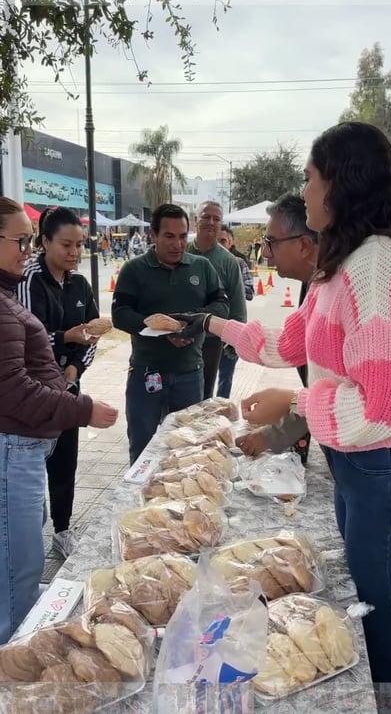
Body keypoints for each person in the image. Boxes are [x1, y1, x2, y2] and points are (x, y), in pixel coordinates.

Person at [174, 122, 391, 686]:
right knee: (369, 595)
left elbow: (389, 406)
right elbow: (284, 344)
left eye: (309, 179)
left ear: (339, 184)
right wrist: (213, 324)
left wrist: (295, 402)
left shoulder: (375, 267)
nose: (303, 193)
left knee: (388, 617)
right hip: (352, 464)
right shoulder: (337, 269)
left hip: (383, 468)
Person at [0, 197, 118, 642]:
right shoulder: (18, 290)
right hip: (16, 442)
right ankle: (16, 662)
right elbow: (13, 386)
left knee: (22, 551)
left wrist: (70, 375)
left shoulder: (18, 291)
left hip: (33, 433)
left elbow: (87, 337)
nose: (26, 250)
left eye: (28, 241)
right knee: (18, 562)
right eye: (21, 240)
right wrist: (81, 408)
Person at [112, 204, 229, 465]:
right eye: (169, 236)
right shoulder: (134, 270)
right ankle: (139, 501)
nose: (178, 244)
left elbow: (222, 305)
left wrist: (192, 324)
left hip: (190, 373)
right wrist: (158, 329)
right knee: (142, 449)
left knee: (187, 450)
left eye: (183, 236)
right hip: (146, 375)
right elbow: (120, 314)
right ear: (153, 235)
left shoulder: (202, 268)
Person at [18, 207, 101, 559]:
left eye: (79, 245)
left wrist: (72, 374)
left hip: (67, 389)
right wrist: (65, 337)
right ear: (44, 241)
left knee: (66, 461)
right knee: (30, 469)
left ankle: (63, 530)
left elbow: (93, 335)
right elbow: (24, 341)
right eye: (66, 244)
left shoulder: (79, 284)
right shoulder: (28, 279)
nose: (74, 253)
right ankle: (24, 542)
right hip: (32, 394)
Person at [235, 194, 318, 464]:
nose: (266, 253)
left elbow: (361, 397)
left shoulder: (347, 285)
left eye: (270, 243)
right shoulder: (316, 283)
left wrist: (289, 401)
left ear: (304, 244)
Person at [186, 201, 246, 399]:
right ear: (196, 221)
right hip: (178, 336)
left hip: (211, 341)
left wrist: (236, 342)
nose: (211, 222)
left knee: (203, 398)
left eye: (217, 219)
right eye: (206, 217)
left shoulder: (228, 261)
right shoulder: (180, 251)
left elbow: (237, 306)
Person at [217, 227, 254, 398]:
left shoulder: (238, 263)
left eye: (223, 241)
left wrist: (230, 288)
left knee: (226, 377)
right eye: (217, 241)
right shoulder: (204, 262)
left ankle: (221, 410)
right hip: (208, 331)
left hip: (231, 332)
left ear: (231, 242)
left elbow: (249, 292)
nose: (220, 245)